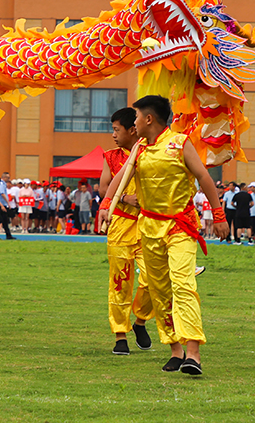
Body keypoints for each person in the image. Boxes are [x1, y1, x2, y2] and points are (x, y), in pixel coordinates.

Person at [100, 95, 228, 376]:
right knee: (160, 290)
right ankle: (175, 349)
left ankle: (193, 353)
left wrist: (218, 215)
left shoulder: (180, 143)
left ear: (148, 119)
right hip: (148, 228)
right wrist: (107, 205)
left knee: (183, 283)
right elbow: (120, 177)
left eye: (135, 118)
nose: (133, 123)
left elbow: (204, 178)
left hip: (180, 226)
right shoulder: (140, 150)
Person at [99, 107, 154, 355]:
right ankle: (120, 335)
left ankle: (140, 320)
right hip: (120, 226)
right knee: (120, 282)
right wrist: (124, 198)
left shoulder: (151, 153)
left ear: (133, 129)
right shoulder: (110, 157)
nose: (113, 135)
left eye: (116, 130)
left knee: (153, 278)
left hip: (147, 225)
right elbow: (103, 189)